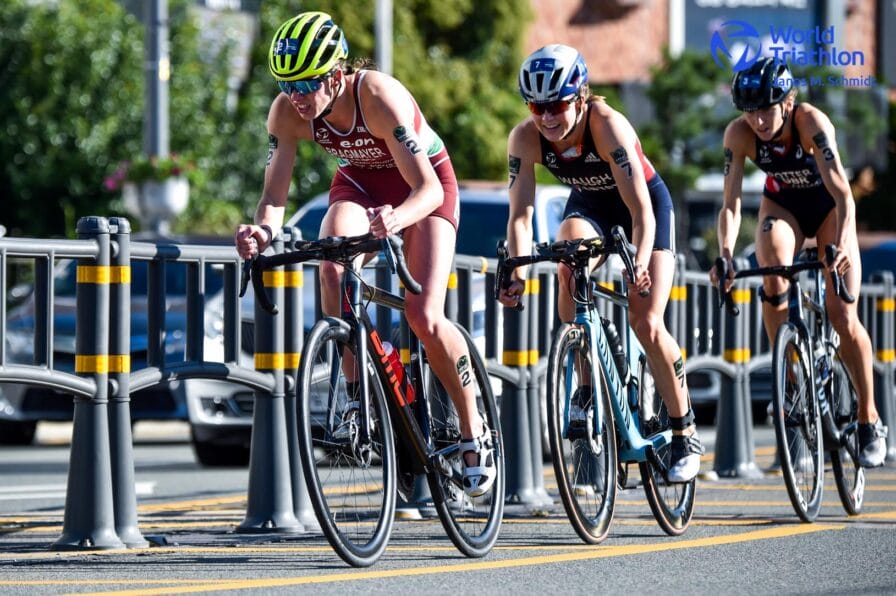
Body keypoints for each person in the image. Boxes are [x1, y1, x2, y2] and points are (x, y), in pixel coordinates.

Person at [234, 11, 495, 496]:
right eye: (286, 84)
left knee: (423, 315)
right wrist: (263, 234)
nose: (296, 96)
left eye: (307, 84)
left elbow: (429, 189)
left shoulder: (377, 95)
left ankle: (471, 425)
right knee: (331, 269)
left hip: (425, 187)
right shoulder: (287, 112)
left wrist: (397, 218)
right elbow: (273, 199)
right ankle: (358, 395)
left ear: (335, 75)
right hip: (360, 182)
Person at [497, 44, 704, 482]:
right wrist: (515, 271)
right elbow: (520, 216)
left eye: (556, 104)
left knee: (646, 320)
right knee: (566, 264)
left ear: (581, 94)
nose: (547, 117)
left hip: (641, 207)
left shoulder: (608, 125)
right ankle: (587, 387)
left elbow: (642, 212)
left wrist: (640, 262)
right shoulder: (524, 137)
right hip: (590, 205)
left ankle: (684, 429)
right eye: (536, 106)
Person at [710, 56, 887, 467]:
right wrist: (725, 254)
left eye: (765, 109)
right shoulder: (738, 134)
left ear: (787, 102)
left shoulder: (812, 122)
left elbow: (844, 194)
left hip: (829, 210)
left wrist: (841, 245)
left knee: (842, 313)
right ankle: (788, 371)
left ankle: (868, 417)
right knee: (771, 269)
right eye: (749, 111)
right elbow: (731, 205)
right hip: (784, 206)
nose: (756, 120)